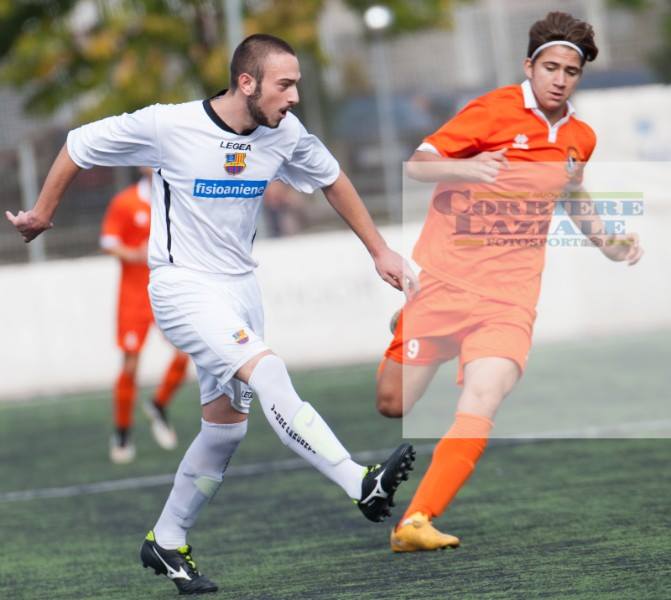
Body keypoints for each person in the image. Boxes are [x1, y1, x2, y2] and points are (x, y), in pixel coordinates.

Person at [6, 34, 419, 595]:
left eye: (296, 84)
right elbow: (80, 143)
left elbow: (331, 179)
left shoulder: (284, 133)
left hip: (241, 290)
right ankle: (360, 484)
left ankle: (167, 541)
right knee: (269, 372)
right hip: (182, 288)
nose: (294, 96)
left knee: (225, 432)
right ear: (246, 83)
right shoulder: (168, 125)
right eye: (285, 84)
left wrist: (379, 250)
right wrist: (42, 213)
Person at [375, 12, 643, 553]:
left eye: (572, 70)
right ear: (529, 66)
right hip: (447, 282)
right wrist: (467, 169)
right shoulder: (492, 110)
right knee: (393, 404)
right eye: (551, 67)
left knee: (484, 396)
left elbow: (572, 197)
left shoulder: (578, 138)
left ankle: (417, 520)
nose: (560, 78)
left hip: (510, 296)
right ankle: (410, 323)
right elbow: (419, 165)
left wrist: (608, 242)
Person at [100, 166, 190, 463]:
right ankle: (123, 431)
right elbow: (109, 243)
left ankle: (159, 405)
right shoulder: (125, 202)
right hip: (134, 297)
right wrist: (134, 253)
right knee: (130, 365)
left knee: (183, 353)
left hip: (167, 292)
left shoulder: (177, 197)